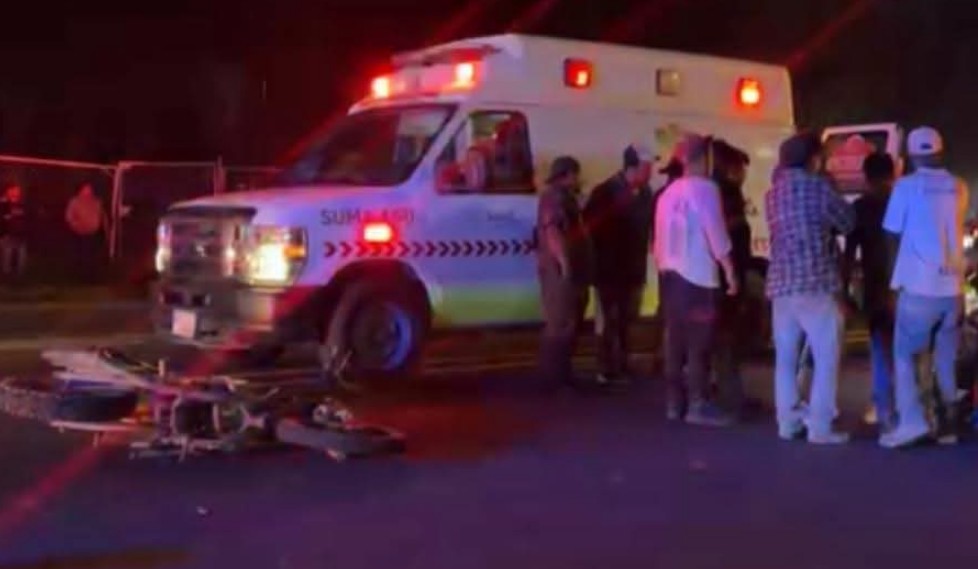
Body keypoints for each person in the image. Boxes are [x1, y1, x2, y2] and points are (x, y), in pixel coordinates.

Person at [879, 127, 970, 449]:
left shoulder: (906, 187)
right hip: (953, 289)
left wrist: (892, 282)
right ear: (941, 152)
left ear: (911, 154)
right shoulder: (958, 187)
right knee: (945, 359)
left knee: (906, 356)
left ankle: (912, 423)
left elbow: (891, 234)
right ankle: (948, 427)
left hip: (918, 287)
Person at [765, 131, 855, 444]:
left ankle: (788, 422)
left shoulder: (773, 193)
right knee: (826, 355)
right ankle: (820, 425)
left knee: (786, 357)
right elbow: (846, 221)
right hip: (815, 281)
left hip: (780, 283)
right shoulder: (818, 188)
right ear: (813, 159)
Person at [653, 134, 738, 426]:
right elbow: (715, 231)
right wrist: (729, 269)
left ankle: (674, 403)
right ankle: (698, 404)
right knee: (699, 343)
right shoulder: (705, 189)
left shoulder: (667, 194)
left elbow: (659, 241)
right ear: (704, 159)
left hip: (671, 278)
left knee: (674, 342)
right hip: (698, 277)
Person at [583, 145, 654, 387]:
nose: (651, 171)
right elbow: (591, 230)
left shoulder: (646, 194)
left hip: (634, 270)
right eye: (647, 167)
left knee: (626, 320)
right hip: (609, 271)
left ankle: (622, 364)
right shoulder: (605, 193)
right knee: (609, 321)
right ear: (633, 166)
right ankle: (605, 368)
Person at [841, 152, 898, 434]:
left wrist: (844, 290)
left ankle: (883, 409)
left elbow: (850, 253)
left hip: (875, 287)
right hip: (905, 285)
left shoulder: (861, 207)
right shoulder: (903, 202)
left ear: (866, 176)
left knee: (879, 348)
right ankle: (909, 408)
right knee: (908, 349)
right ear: (893, 173)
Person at [536, 156, 592, 388]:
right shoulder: (555, 199)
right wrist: (564, 262)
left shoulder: (563, 198)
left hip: (566, 269)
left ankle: (562, 375)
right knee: (560, 323)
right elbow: (553, 231)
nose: (577, 179)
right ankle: (555, 378)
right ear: (567, 175)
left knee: (568, 322)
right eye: (575, 174)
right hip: (560, 272)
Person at [711, 139, 752, 415]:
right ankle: (731, 397)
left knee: (722, 338)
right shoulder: (727, 193)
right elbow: (729, 236)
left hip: (719, 275)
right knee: (727, 338)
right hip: (729, 275)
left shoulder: (713, 191)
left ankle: (724, 391)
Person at [65, 182, 108, 282]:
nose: (88, 191)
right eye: (86, 188)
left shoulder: (96, 201)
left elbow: (102, 215)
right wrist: (75, 225)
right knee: (81, 255)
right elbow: (69, 216)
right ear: (81, 189)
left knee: (92, 256)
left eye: (89, 189)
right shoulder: (75, 201)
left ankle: (92, 276)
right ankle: (79, 276)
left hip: (93, 232)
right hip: (79, 232)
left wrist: (104, 229)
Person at [0, 184, 29, 283]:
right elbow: (4, 217)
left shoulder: (22, 203)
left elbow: (27, 217)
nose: (17, 193)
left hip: (20, 233)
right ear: (9, 191)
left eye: (18, 191)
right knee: (7, 254)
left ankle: (19, 275)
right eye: (14, 190)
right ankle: (6, 274)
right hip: (7, 233)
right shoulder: (3, 203)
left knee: (21, 254)